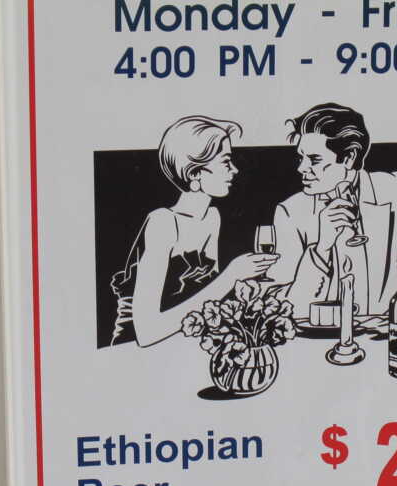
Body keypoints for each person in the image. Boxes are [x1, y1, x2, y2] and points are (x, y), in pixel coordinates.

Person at [270, 103, 397, 317]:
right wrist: (321, 249)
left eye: (314, 160)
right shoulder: (290, 212)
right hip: (321, 336)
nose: (301, 168)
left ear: (349, 157)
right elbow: (283, 307)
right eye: (301, 157)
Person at [111, 116, 278, 347]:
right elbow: (147, 332)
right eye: (226, 162)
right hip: (134, 350)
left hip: (181, 342)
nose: (235, 169)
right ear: (194, 174)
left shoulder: (212, 217)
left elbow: (205, 300)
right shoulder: (163, 223)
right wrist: (231, 276)